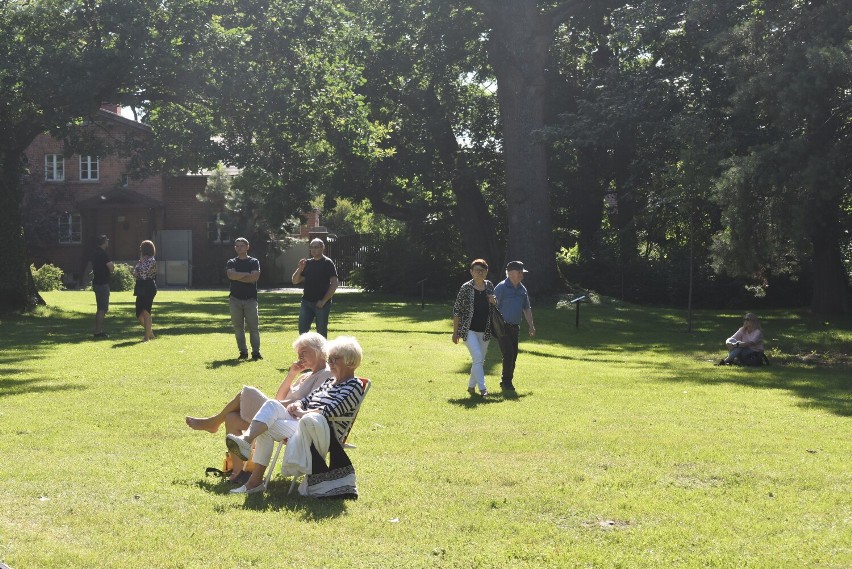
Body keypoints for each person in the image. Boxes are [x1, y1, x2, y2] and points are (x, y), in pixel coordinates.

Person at [225, 335, 367, 494]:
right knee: (272, 405)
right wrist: (297, 404)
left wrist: (301, 411)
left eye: (335, 359)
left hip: (323, 432)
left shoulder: (354, 386)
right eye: (330, 358)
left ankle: (252, 474)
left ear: (350, 361)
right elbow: (307, 399)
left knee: (271, 423)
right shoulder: (329, 383)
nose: (331, 363)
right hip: (303, 423)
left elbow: (330, 411)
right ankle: (250, 461)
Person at [185, 332, 331, 483]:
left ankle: (213, 422)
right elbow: (279, 398)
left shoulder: (326, 373)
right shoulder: (304, 376)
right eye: (298, 353)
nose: (300, 356)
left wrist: (279, 405)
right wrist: (292, 374)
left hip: (292, 420)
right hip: (277, 414)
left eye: (304, 352)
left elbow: (309, 403)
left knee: (246, 392)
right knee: (232, 418)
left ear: (319, 350)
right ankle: (239, 473)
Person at [452, 259, 497, 397]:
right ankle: (483, 389)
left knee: (479, 360)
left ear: (486, 272)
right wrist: (455, 333)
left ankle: (471, 387)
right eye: (476, 270)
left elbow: (495, 305)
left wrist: (493, 301)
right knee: (477, 357)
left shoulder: (489, 285)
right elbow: (457, 310)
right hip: (468, 330)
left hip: (485, 330)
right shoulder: (466, 287)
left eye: (482, 270)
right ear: (471, 272)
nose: (479, 273)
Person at [494, 261, 536, 392]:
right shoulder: (501, 287)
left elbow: (527, 308)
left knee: (514, 355)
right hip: (502, 326)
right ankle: (506, 381)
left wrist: (531, 326)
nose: (522, 275)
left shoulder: (522, 289)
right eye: (520, 272)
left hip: (515, 327)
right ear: (512, 273)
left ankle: (507, 380)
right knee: (509, 353)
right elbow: (492, 306)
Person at [292, 238, 339, 337]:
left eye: (316, 247)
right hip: (306, 302)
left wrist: (324, 301)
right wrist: (300, 268)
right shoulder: (308, 263)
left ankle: (322, 353)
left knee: (321, 334)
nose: (313, 250)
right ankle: (304, 352)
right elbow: (295, 281)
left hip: (321, 304)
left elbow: (334, 284)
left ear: (323, 248)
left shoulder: (328, 263)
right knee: (303, 333)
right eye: (311, 247)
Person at [226, 237, 262, 360]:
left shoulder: (253, 261)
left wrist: (238, 276)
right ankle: (243, 352)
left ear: (247, 247)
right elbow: (231, 275)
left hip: (250, 299)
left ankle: (256, 353)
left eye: (241, 246)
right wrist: (247, 275)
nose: (239, 248)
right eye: (237, 246)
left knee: (254, 328)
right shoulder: (231, 262)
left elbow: (254, 278)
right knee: (238, 328)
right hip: (235, 299)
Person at [133, 240, 157, 341]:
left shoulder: (152, 260)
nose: (140, 250)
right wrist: (140, 263)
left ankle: (146, 337)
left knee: (146, 312)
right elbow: (135, 272)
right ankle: (150, 333)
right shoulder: (142, 260)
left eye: (141, 248)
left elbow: (142, 273)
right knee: (139, 313)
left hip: (148, 286)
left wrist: (140, 264)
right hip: (140, 286)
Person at [91, 234, 114, 339]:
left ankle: (98, 330)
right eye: (107, 241)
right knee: (102, 309)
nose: (108, 242)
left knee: (99, 308)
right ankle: (98, 331)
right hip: (103, 283)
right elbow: (111, 267)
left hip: (96, 283)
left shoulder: (95, 253)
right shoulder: (104, 254)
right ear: (104, 242)